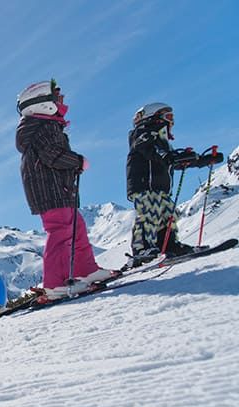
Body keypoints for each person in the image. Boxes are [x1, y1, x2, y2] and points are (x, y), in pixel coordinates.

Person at [15, 79, 114, 299]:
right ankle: (55, 284)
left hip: (58, 188)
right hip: (49, 190)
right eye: (57, 98)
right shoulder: (44, 128)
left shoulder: (43, 127)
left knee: (76, 227)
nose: (62, 102)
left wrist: (72, 166)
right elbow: (52, 155)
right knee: (61, 230)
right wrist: (76, 161)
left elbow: (52, 156)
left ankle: (85, 270)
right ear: (43, 104)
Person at [125, 102, 221, 267]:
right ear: (153, 117)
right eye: (168, 117)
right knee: (149, 215)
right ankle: (142, 250)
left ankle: (168, 245)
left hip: (161, 188)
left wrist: (201, 160)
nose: (172, 122)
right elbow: (151, 150)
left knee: (168, 216)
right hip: (145, 185)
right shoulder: (142, 134)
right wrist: (169, 157)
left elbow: (171, 160)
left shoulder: (162, 141)